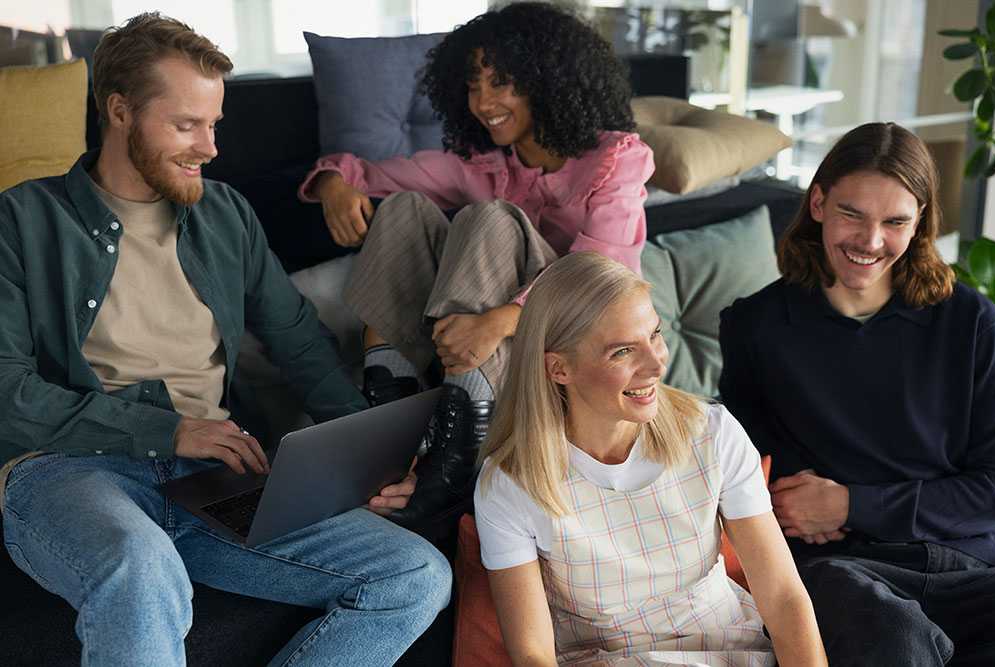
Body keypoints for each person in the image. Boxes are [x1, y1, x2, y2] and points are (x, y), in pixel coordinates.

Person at [0, 14, 450, 666]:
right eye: (187, 125)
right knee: (139, 565)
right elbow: (8, 390)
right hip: (69, 469)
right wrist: (169, 430)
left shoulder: (225, 213)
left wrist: (368, 456)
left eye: (214, 124)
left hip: (213, 480)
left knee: (415, 575)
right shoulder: (22, 219)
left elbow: (299, 343)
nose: (210, 147)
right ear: (120, 111)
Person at [298, 2, 654, 525]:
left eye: (501, 82)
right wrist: (332, 182)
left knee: (490, 218)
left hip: (580, 343)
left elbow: (600, 276)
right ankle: (391, 413)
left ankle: (456, 454)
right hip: (488, 356)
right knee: (403, 209)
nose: (483, 101)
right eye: (472, 85)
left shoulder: (616, 159)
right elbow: (375, 175)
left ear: (546, 81)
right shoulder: (486, 167)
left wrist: (499, 321)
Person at [719, 122, 995, 666]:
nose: (870, 243)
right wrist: (790, 507)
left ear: (919, 221)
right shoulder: (756, 327)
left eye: (894, 221)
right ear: (819, 202)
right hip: (845, 573)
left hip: (969, 567)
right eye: (853, 214)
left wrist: (853, 502)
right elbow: (747, 482)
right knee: (887, 629)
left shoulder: (972, 323)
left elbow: (994, 489)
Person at [474, 252, 827, 666]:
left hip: (729, 652)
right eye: (622, 351)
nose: (657, 363)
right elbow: (533, 654)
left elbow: (783, 597)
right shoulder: (510, 484)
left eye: (655, 335)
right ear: (558, 369)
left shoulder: (713, 432)